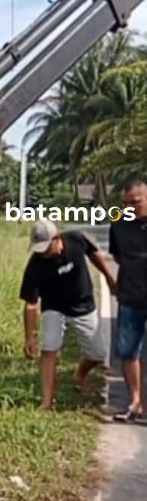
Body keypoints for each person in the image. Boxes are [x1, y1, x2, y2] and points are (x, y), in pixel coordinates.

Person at [20, 219, 115, 410]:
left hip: (83, 304)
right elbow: (30, 304)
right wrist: (30, 337)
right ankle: (47, 402)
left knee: (97, 354)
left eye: (46, 248)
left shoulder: (76, 239)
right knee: (49, 349)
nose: (42, 253)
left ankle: (80, 374)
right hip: (53, 307)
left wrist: (108, 277)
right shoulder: (36, 265)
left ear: (57, 239)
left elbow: (94, 254)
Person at [109, 178, 147, 422]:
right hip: (131, 296)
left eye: (136, 202)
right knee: (128, 351)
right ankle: (135, 402)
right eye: (126, 203)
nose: (131, 208)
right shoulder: (119, 223)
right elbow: (117, 255)